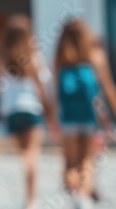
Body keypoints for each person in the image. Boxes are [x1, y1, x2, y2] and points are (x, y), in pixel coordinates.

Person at [0, 14, 59, 209]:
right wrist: (50, 114)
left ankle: (24, 194)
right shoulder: (34, 57)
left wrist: (2, 114)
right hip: (31, 109)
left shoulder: (3, 58)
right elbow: (42, 88)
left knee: (23, 154)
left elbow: (1, 89)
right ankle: (31, 200)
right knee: (32, 156)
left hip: (13, 111)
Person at [54, 19, 116, 208]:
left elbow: (56, 91)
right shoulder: (95, 56)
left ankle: (75, 195)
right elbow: (107, 87)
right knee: (87, 159)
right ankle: (84, 195)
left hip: (69, 116)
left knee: (71, 162)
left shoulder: (61, 58)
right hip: (90, 116)